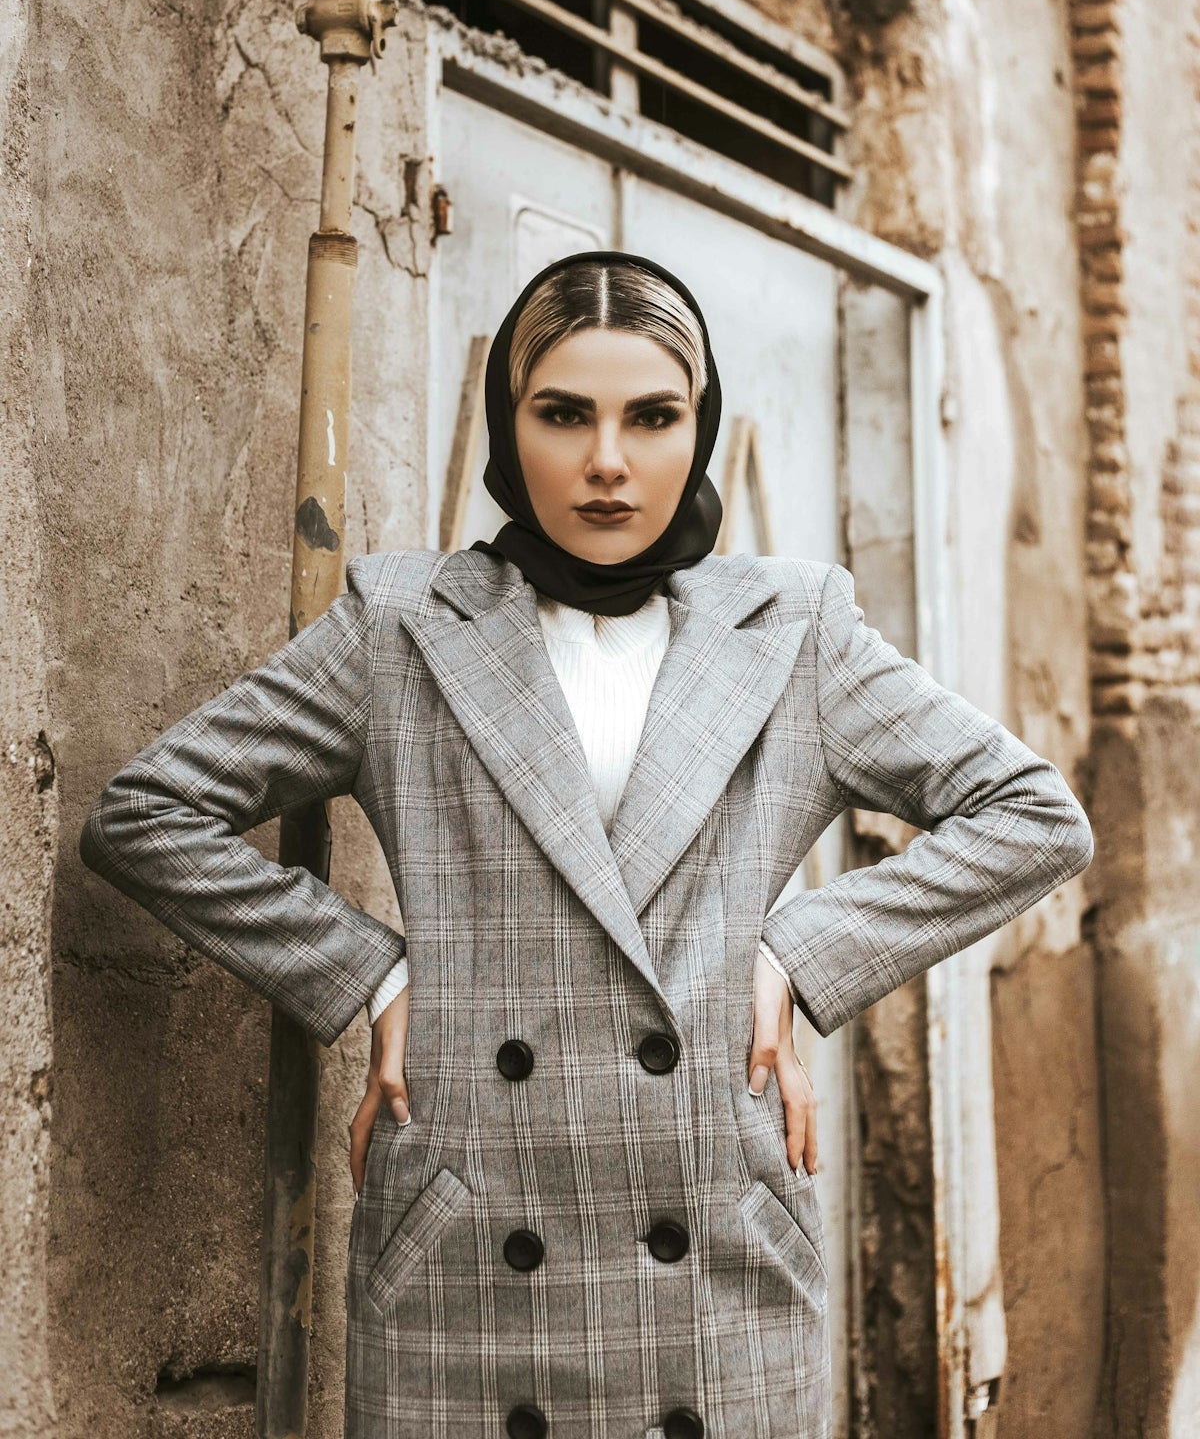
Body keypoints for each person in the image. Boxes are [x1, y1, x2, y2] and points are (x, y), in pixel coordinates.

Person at [80, 249, 1094, 1439]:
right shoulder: (401, 626)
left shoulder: (794, 629)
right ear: (510, 427)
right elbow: (147, 814)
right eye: (564, 415)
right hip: (468, 1241)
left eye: (652, 417)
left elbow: (1033, 817)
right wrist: (372, 976)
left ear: (699, 425)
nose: (608, 461)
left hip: (714, 1241)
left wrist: (795, 955)